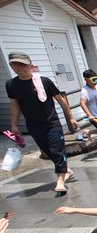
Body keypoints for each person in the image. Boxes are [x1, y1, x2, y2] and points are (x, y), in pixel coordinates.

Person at [6, 51, 76, 194]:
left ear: (30, 65)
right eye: (16, 65)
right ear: (11, 66)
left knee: (57, 150)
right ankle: (66, 169)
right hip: (33, 125)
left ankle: (60, 181)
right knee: (49, 151)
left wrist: (71, 117)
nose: (20, 68)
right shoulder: (11, 85)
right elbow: (15, 105)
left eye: (23, 65)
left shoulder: (44, 81)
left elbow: (60, 99)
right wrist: (13, 125)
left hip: (52, 123)